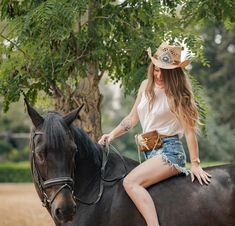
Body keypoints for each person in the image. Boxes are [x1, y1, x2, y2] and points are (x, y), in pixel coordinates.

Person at [98, 42, 211, 226]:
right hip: (149, 151)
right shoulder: (145, 87)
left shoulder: (178, 97)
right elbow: (132, 118)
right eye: (156, 70)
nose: (158, 76)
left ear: (174, 73)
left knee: (130, 182)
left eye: (163, 72)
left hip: (170, 152)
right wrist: (111, 135)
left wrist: (196, 164)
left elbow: (190, 132)